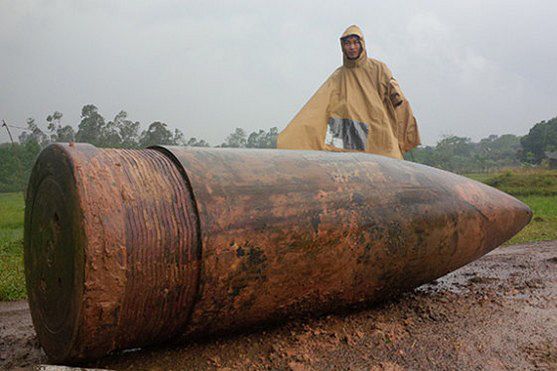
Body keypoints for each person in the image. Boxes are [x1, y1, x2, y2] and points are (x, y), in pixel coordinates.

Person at [277, 25, 420, 159]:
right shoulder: (338, 76)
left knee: (388, 167)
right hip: (347, 132)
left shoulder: (378, 68)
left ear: (362, 44)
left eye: (355, 43)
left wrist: (407, 134)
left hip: (377, 131)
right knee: (346, 171)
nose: (352, 47)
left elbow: (399, 102)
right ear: (342, 47)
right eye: (348, 44)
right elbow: (317, 107)